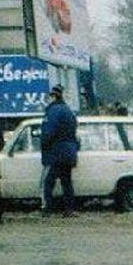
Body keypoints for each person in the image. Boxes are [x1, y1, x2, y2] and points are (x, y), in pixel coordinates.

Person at [41, 84, 79, 216]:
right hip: (69, 152)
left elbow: (48, 132)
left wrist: (43, 145)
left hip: (55, 153)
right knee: (66, 182)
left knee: (47, 182)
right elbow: (74, 132)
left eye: (49, 97)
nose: (47, 100)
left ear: (53, 97)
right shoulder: (68, 111)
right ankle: (69, 209)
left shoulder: (53, 111)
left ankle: (47, 209)